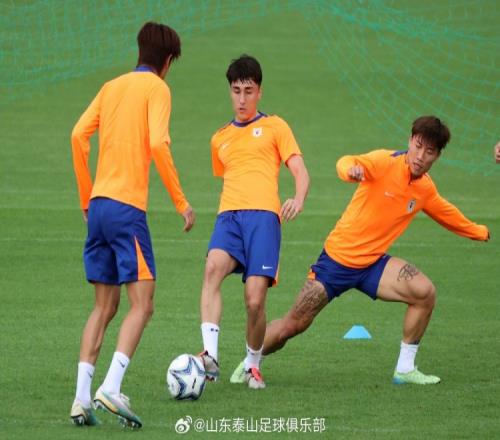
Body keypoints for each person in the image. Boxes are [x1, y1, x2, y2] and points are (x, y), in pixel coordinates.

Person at [230, 116, 490, 386]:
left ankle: (405, 369)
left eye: (430, 151)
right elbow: (345, 162)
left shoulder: (425, 188)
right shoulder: (384, 162)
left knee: (425, 293)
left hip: (373, 264)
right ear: (410, 140)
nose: (421, 156)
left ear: (437, 156)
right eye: (418, 146)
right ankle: (249, 364)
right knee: (291, 326)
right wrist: (350, 170)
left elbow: (447, 213)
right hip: (336, 262)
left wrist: (479, 232)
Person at [70, 22, 194, 428]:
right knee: (144, 304)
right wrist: (181, 203)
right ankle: (111, 386)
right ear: (168, 61)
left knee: (104, 307)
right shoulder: (157, 89)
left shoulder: (111, 86)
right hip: (127, 211)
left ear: (140, 50)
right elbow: (158, 143)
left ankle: (81, 399)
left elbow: (78, 136)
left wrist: (86, 197)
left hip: (99, 207)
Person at [198, 54, 310, 390]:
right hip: (229, 216)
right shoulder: (219, 138)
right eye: (236, 91)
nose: (242, 99)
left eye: (249, 91)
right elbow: (229, 176)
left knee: (254, 300)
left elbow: (300, 170)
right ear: (230, 92)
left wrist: (298, 198)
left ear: (259, 92)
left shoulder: (276, 126)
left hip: (263, 219)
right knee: (212, 268)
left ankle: (252, 365)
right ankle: (210, 356)